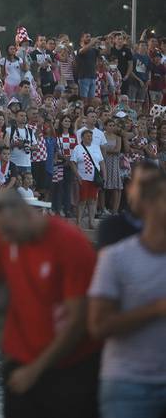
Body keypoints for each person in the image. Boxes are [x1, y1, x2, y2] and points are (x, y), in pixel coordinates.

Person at [0, 189, 100, 418]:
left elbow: (77, 320)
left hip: (69, 366)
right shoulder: (4, 238)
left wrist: (35, 369)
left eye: (7, 230)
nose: (4, 238)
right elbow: (1, 292)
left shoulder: (70, 243)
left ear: (25, 212)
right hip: (21, 362)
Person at [88, 172, 166, 418]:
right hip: (128, 385)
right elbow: (98, 326)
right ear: (148, 205)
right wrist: (155, 310)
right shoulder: (116, 258)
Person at [97, 160, 159, 248]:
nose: (147, 191)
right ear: (129, 188)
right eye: (142, 185)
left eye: (153, 186)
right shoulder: (110, 227)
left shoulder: (160, 228)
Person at [70, 129, 105, 229]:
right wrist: (77, 176)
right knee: (82, 201)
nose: (90, 137)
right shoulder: (78, 148)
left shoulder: (96, 147)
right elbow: (72, 162)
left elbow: (101, 162)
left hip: (94, 179)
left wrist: (104, 176)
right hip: (83, 178)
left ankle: (91, 222)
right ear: (82, 137)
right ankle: (78, 222)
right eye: (87, 136)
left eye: (91, 136)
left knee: (93, 200)